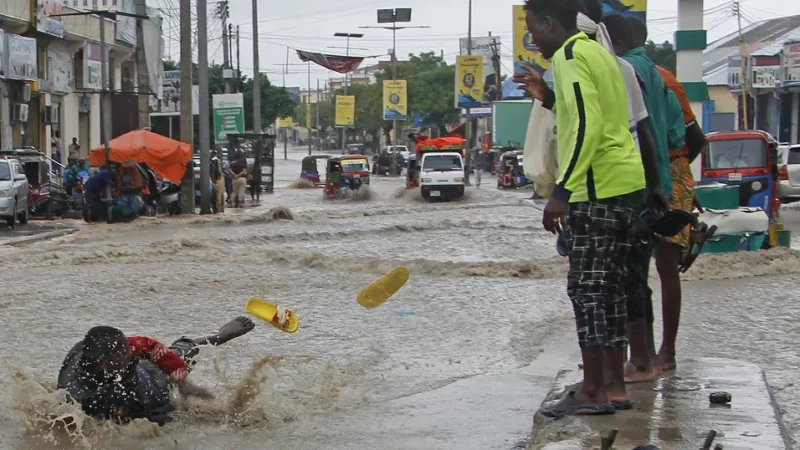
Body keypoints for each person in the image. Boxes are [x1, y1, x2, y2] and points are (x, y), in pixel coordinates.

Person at [520, 0, 647, 416]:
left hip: (598, 188)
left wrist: (562, 190)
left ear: (551, 22)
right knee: (610, 290)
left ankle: (592, 390)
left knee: (587, 291)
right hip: (627, 183)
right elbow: (599, 118)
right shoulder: (599, 54)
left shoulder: (572, 56)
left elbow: (589, 129)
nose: (530, 35)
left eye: (532, 25)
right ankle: (614, 387)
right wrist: (551, 98)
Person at [603, 14, 686, 383]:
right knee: (643, 274)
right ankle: (649, 355)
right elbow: (676, 133)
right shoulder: (658, 73)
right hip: (657, 181)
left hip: (630, 182)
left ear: (612, 41)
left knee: (627, 275)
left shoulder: (620, 70)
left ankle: (639, 360)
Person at [627, 16, 709, 373]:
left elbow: (696, 139)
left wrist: (677, 179)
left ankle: (667, 352)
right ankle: (640, 353)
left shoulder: (659, 78)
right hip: (649, 174)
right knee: (637, 264)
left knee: (664, 264)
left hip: (669, 171)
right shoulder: (635, 71)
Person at [58, 317, 254, 425]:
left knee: (182, 352)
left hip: (151, 375)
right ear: (102, 362)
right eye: (122, 355)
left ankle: (220, 335)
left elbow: (149, 346)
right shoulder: (78, 390)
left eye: (127, 350)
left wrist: (184, 383)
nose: (129, 354)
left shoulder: (123, 350)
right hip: (144, 391)